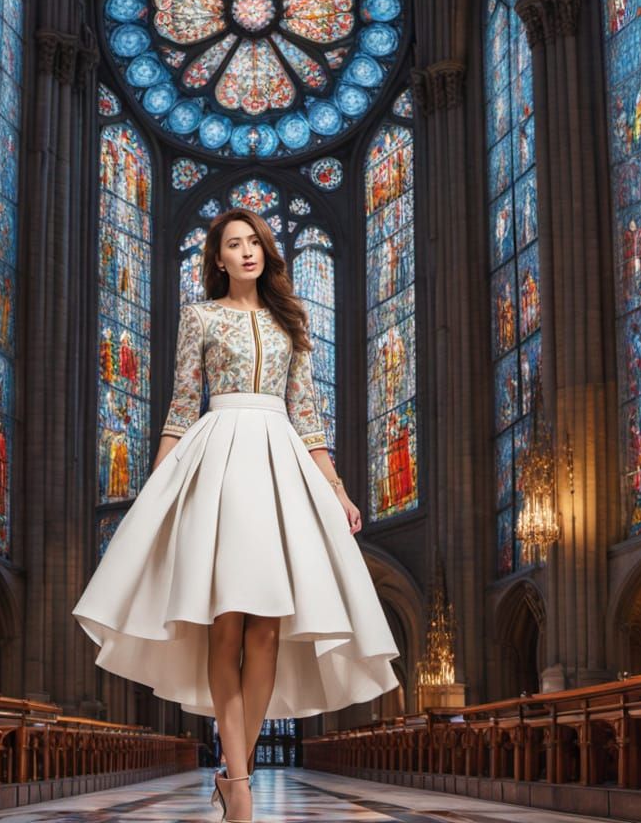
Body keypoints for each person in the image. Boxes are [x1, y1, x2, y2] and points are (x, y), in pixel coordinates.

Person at [73, 209, 400, 822]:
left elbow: (306, 415)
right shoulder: (198, 316)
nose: (247, 252)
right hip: (217, 460)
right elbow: (178, 405)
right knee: (224, 626)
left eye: (254, 242)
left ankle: (233, 772)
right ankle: (243, 785)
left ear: (264, 252)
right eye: (234, 244)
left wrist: (338, 488)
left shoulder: (291, 323)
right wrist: (157, 488)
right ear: (217, 259)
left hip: (280, 464)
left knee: (269, 628)